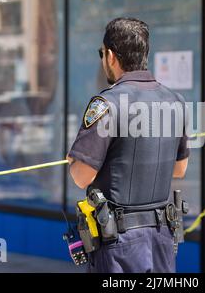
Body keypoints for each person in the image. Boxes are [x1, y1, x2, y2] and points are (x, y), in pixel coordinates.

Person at [66, 18, 189, 273]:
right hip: (162, 238)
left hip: (119, 245)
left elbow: (81, 177)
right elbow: (179, 169)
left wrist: (75, 161)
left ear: (110, 56)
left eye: (102, 53)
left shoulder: (106, 103)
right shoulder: (176, 101)